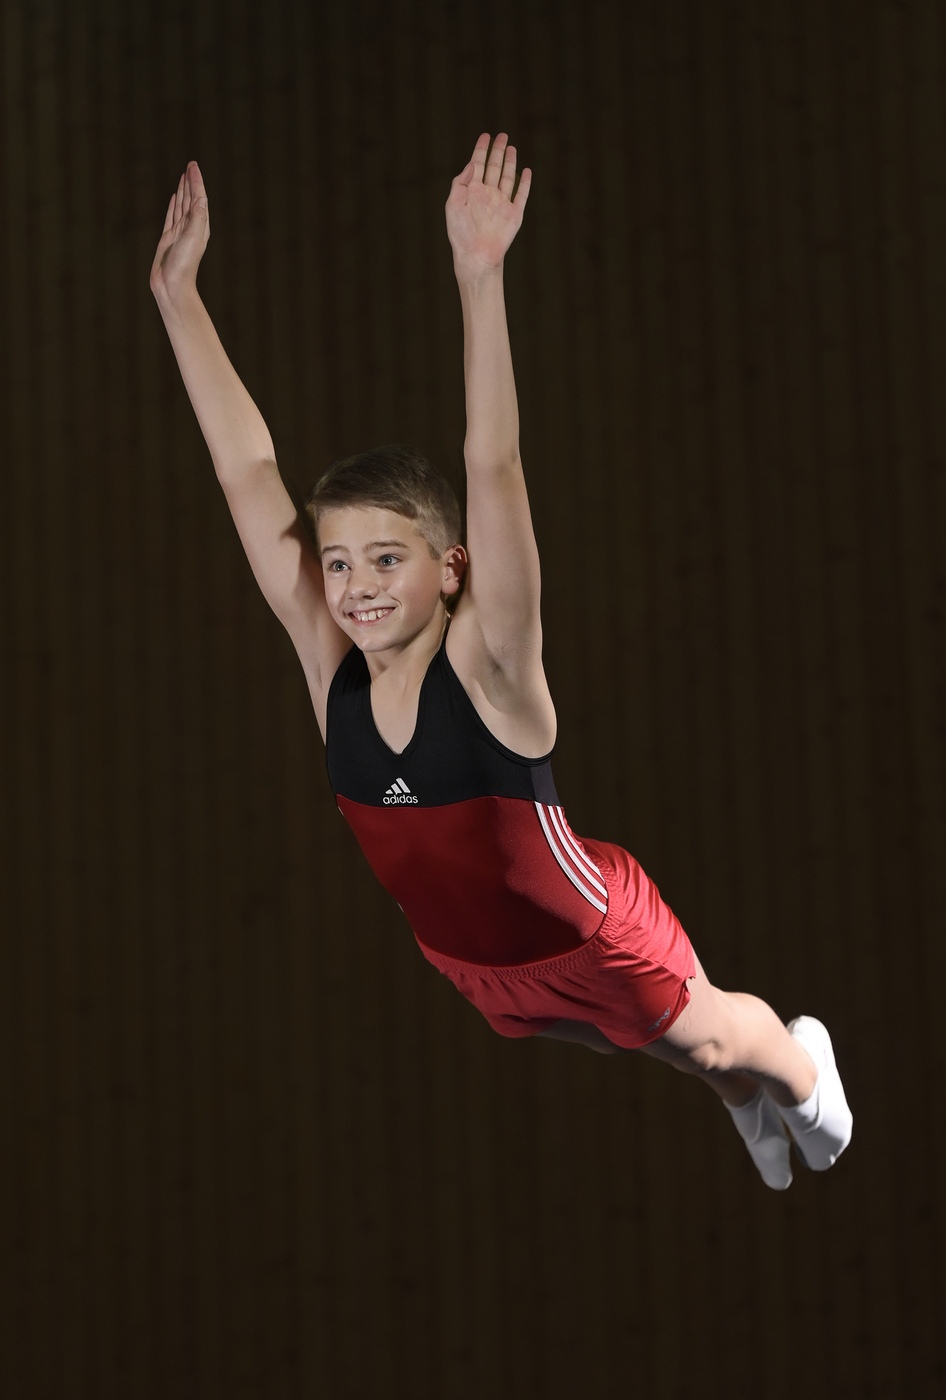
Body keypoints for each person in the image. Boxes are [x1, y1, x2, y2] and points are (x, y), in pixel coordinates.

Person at [150, 133, 852, 1190]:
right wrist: (178, 300)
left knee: (702, 1035)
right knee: (619, 1042)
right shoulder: (333, 667)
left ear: (453, 568)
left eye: (388, 558)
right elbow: (246, 470)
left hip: (595, 928)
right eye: (337, 562)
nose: (354, 585)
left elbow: (494, 463)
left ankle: (793, 1071)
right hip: (473, 962)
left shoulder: (490, 667)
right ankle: (735, 1096)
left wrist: (479, 277)